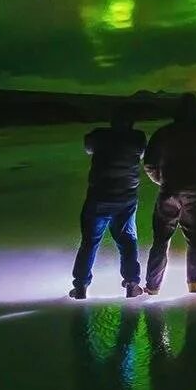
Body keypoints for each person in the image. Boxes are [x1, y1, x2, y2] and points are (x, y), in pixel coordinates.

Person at [142, 93, 196, 294]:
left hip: (168, 191)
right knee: (195, 239)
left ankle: (153, 286)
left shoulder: (163, 133)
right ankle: (195, 283)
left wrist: (162, 181)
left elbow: (150, 163)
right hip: (195, 193)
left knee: (161, 239)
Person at [70, 105, 146, 299]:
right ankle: (131, 283)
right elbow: (143, 152)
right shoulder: (137, 138)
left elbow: (87, 146)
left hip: (99, 197)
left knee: (89, 242)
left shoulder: (100, 136)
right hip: (125, 199)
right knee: (128, 241)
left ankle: (80, 286)